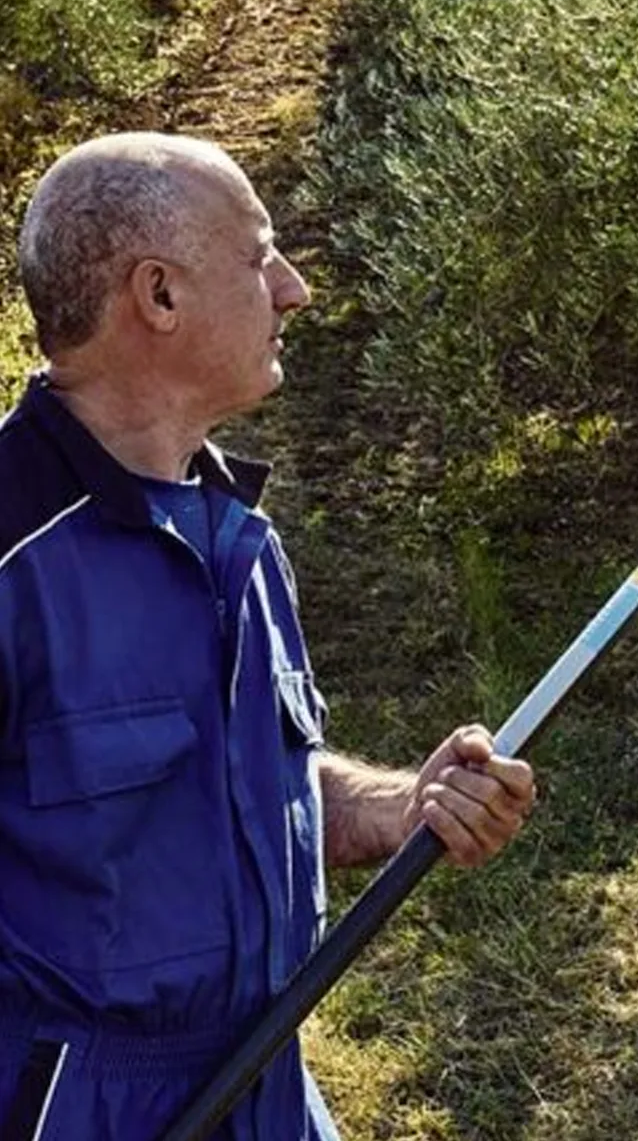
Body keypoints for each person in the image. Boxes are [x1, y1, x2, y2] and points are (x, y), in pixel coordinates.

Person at [0, 132, 536, 1139]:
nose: (291, 289)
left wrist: (400, 804)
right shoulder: (9, 557)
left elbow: (253, 786)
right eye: (258, 256)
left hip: (269, 1087)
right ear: (157, 296)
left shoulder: (237, 539)